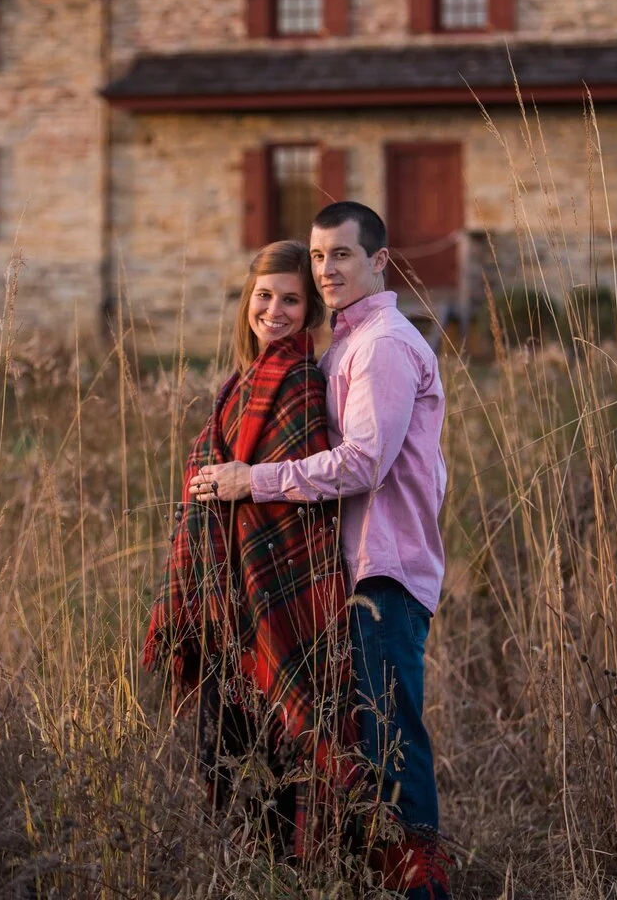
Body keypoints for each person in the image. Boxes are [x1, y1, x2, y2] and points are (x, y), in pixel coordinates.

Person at [191, 201, 451, 900]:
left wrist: (254, 480)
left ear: (378, 261)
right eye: (318, 255)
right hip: (352, 574)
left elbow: (364, 463)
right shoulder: (341, 349)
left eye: (341, 254)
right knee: (364, 745)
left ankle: (424, 889)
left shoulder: (382, 347)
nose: (327, 268)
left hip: (384, 573)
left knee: (392, 744)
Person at [143, 239, 355, 860]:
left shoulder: (298, 383)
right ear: (248, 302)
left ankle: (284, 876)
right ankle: (241, 877)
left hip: (270, 603)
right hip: (223, 606)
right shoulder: (241, 380)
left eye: (292, 299)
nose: (276, 310)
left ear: (310, 310)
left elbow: (301, 499)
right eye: (265, 296)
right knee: (225, 760)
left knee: (270, 764)